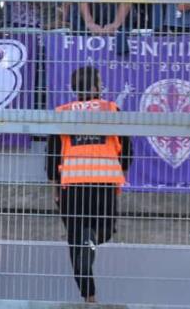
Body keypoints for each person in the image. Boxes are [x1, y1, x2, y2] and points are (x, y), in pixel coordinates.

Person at [46, 66, 131, 305]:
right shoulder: (112, 109)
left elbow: (53, 156)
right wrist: (119, 175)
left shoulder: (61, 112)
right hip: (104, 184)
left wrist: (55, 188)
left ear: (75, 88)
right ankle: (91, 239)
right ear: (96, 87)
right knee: (103, 231)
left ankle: (89, 297)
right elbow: (127, 151)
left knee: (76, 241)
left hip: (72, 185)